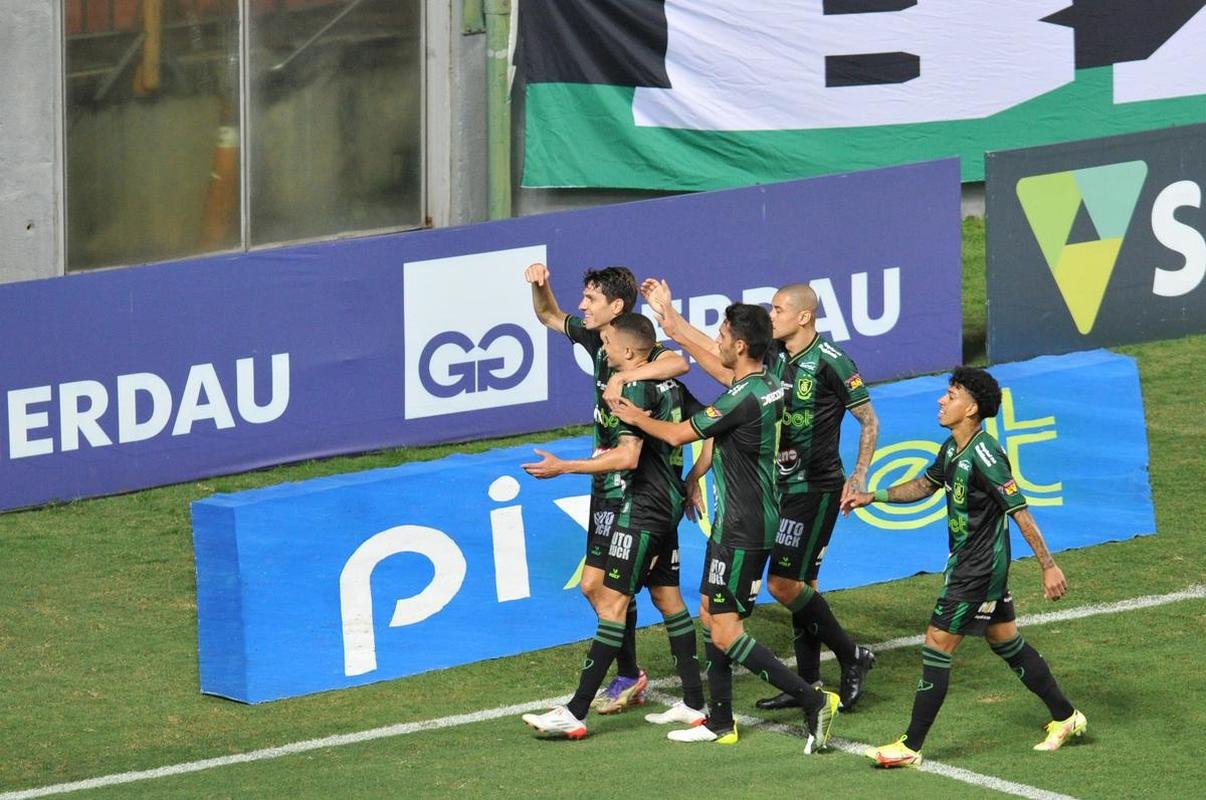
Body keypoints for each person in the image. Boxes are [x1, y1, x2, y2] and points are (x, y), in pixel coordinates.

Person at [610, 303, 841, 753]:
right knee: (711, 612)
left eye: (721, 335)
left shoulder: (743, 396)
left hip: (744, 525)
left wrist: (633, 415)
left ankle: (813, 700)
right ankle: (720, 720)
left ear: (740, 344)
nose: (715, 341)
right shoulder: (767, 382)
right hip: (743, 518)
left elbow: (678, 435)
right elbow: (718, 402)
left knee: (725, 629)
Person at [642, 279, 878, 711]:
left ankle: (850, 656)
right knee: (798, 584)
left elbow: (868, 420)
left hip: (817, 486)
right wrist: (673, 323)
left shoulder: (832, 362)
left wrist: (859, 476)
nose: (772, 316)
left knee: (786, 584)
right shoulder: (772, 358)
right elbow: (723, 362)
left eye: (778, 309)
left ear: (804, 316)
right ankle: (809, 681)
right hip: (778, 484)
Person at [842, 367, 1086, 767]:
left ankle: (910, 746)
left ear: (971, 408)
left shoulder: (986, 455)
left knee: (937, 643)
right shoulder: (952, 448)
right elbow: (923, 485)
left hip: (978, 571)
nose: (942, 399)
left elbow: (1019, 511)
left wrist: (1048, 565)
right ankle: (1067, 716)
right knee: (1006, 640)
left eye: (951, 394)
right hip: (971, 565)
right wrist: (874, 496)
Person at [520, 314, 707, 738]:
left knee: (611, 604)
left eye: (608, 346)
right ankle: (695, 703)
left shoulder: (635, 387)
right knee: (667, 597)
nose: (602, 352)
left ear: (628, 351)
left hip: (639, 508)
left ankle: (575, 711)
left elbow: (627, 458)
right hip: (667, 505)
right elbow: (712, 424)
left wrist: (563, 466)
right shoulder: (669, 385)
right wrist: (695, 475)